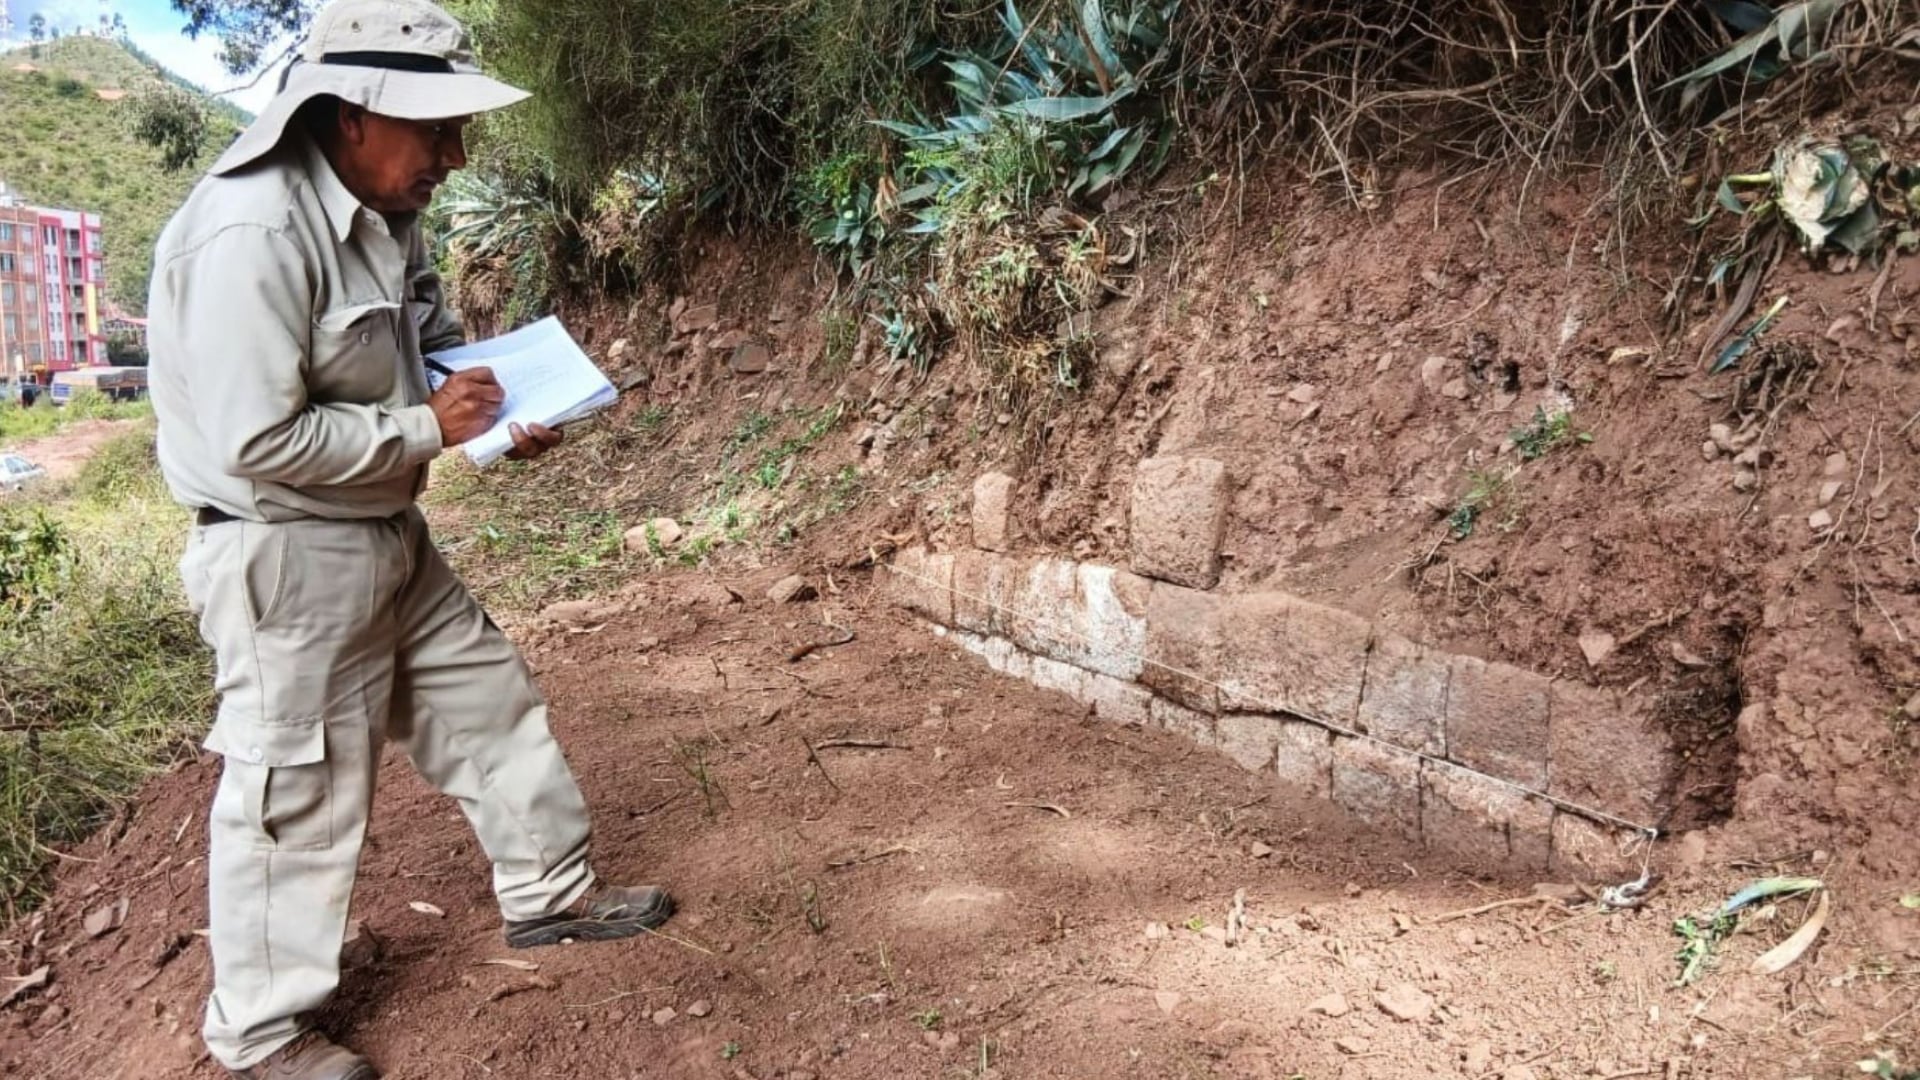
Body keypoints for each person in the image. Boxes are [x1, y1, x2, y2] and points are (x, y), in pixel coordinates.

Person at [146, 2, 674, 1076]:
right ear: (349, 114)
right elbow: (257, 440)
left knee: (486, 701)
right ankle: (260, 1036)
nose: (455, 153)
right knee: (295, 789)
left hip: (384, 527)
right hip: (284, 552)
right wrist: (425, 429)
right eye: (434, 128)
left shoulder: (383, 209)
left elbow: (426, 343)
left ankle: (551, 896)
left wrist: (494, 411)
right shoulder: (251, 232)